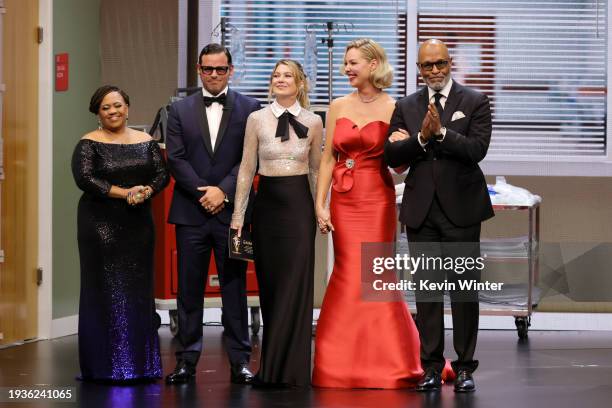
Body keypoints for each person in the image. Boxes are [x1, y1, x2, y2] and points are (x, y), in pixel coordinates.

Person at [384, 39, 494, 393]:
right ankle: (430, 366)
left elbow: (476, 150)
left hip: (461, 209)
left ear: (450, 64)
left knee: (463, 292)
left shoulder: (474, 101)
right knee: (428, 292)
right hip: (421, 210)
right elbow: (392, 153)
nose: (433, 70)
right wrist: (419, 138)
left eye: (439, 64)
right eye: (426, 65)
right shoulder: (406, 104)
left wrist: (442, 133)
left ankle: (464, 367)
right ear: (418, 69)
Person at [312, 38, 422, 389]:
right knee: (346, 271)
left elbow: (401, 165)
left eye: (353, 62)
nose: (347, 68)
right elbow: (328, 157)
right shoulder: (337, 105)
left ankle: (389, 360)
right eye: (346, 62)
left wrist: (405, 141)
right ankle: (339, 362)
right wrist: (320, 202)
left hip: (377, 197)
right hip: (344, 199)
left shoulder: (395, 107)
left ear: (373, 65)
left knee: (375, 275)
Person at [164, 43, 261, 385]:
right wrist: (206, 193)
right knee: (188, 291)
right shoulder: (178, 110)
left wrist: (224, 191)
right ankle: (186, 360)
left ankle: (240, 361)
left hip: (233, 214)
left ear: (231, 70)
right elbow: (175, 158)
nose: (215, 75)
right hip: (191, 212)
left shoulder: (251, 108)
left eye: (221, 69)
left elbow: (252, 158)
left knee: (234, 289)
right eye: (209, 69)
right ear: (198, 69)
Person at [230, 59, 323, 387]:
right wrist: (238, 216)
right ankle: (271, 368)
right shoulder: (256, 119)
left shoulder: (313, 121)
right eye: (276, 75)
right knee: (270, 289)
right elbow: (245, 169)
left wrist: (321, 209)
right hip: (266, 207)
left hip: (299, 209)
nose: (280, 79)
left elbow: (315, 171)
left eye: (288, 75)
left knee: (294, 288)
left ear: (300, 83)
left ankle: (294, 371)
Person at [72, 85, 169, 382]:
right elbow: (85, 179)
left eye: (118, 105)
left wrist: (146, 191)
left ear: (127, 107)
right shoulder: (89, 143)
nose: (113, 111)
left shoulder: (146, 141)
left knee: (138, 292)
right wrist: (124, 193)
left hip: (139, 224)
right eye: (106, 108)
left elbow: (161, 174)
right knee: (104, 291)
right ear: (98, 113)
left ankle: (141, 365)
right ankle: (104, 366)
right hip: (100, 225)